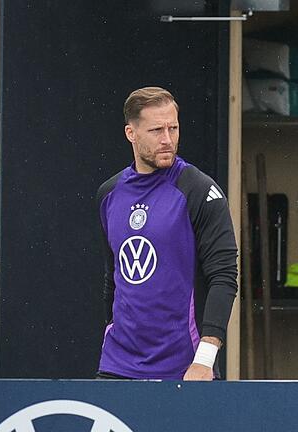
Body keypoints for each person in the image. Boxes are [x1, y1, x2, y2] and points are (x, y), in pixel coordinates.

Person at [96, 87, 238, 380]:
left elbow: (224, 275)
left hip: (184, 366)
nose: (167, 139)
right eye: (156, 130)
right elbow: (113, 276)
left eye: (173, 128)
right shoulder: (109, 194)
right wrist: (110, 328)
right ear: (130, 133)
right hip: (117, 365)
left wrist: (205, 359)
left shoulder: (199, 190)